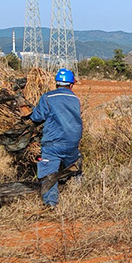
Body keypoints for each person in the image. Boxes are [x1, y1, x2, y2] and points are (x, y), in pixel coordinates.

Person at [30, 68, 83, 206]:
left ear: (56, 84)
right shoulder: (75, 99)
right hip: (73, 143)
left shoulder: (48, 97)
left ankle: (51, 203)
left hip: (53, 143)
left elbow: (36, 117)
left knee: (49, 172)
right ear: (71, 85)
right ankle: (80, 195)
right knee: (74, 167)